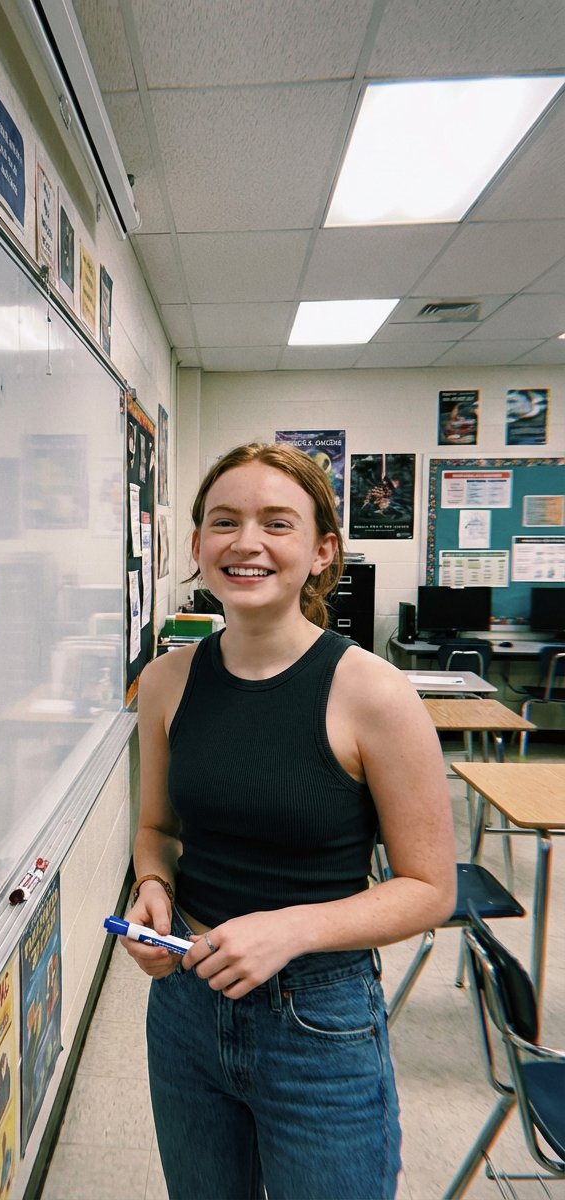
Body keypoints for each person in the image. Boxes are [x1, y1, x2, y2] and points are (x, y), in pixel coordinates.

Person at [122, 442, 455, 1200]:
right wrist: (151, 885)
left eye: (277, 523)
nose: (246, 543)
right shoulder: (168, 680)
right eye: (223, 522)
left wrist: (291, 928)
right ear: (198, 545)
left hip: (319, 1019)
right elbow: (157, 831)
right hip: (185, 1004)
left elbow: (430, 887)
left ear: (321, 550)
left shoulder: (375, 693)